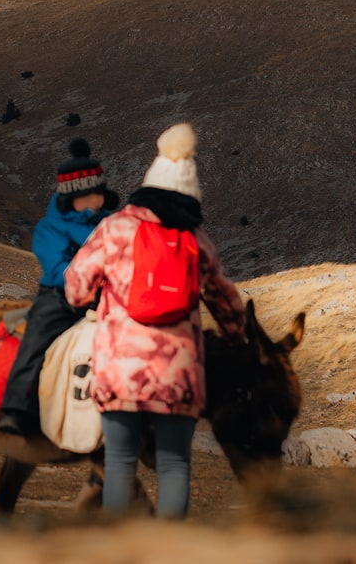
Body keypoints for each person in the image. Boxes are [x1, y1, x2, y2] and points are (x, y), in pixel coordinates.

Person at [64, 123, 246, 519]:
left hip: (120, 371)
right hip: (178, 373)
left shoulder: (116, 228)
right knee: (175, 465)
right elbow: (226, 300)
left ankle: (119, 554)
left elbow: (76, 287)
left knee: (120, 463)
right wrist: (235, 336)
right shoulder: (196, 238)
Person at [0, 137, 118, 437]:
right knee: (37, 338)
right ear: (70, 198)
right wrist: (90, 279)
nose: (94, 202)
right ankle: (16, 408)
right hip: (60, 298)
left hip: (109, 295)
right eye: (87, 196)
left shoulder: (113, 222)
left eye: (97, 195)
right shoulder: (50, 229)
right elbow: (58, 269)